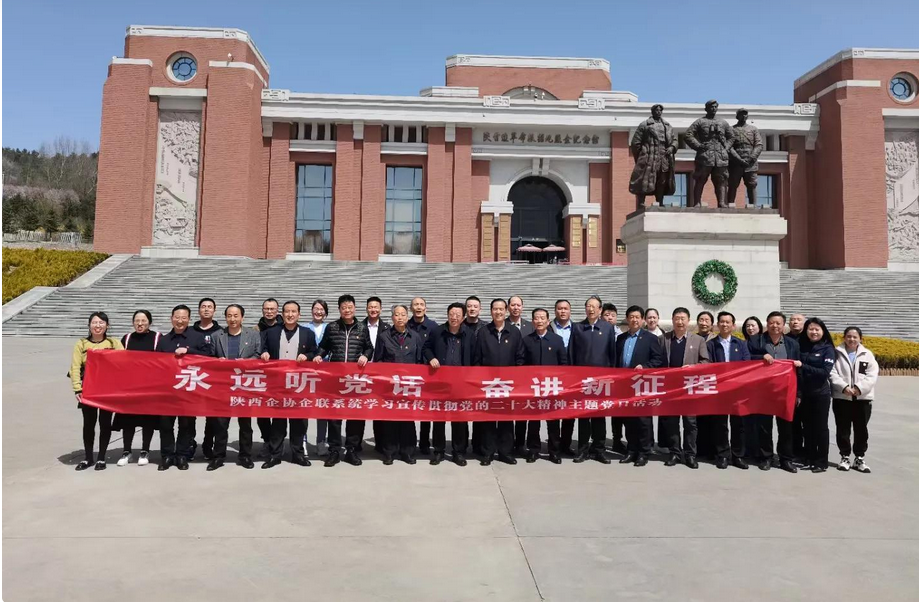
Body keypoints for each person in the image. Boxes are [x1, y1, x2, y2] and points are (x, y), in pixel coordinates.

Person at [314, 295, 373, 467]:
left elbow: (369, 347)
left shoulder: (362, 328)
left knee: (355, 415)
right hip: (336, 379)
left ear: (355, 308)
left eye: (350, 307)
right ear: (339, 310)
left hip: (355, 379)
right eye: (344, 307)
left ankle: (351, 450)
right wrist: (319, 355)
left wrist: (365, 355)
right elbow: (324, 346)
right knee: (334, 416)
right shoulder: (332, 327)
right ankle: (334, 450)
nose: (347, 310)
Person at [258, 301, 318, 469]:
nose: (290, 315)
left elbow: (314, 351)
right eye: (287, 312)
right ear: (282, 314)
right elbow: (262, 349)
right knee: (278, 421)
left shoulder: (307, 333)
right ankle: (275, 455)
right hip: (277, 384)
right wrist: (264, 353)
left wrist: (308, 356)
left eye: (293, 312)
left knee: (299, 421)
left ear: (299, 314)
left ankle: (298, 454)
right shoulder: (271, 332)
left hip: (299, 384)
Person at [364, 304, 423, 464]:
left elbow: (419, 361)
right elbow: (379, 360)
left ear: (407, 317)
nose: (400, 317)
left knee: (407, 420)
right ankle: (389, 452)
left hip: (408, 385)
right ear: (392, 318)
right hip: (389, 386)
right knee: (389, 420)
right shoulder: (384, 337)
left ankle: (407, 452)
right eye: (397, 315)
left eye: (403, 314)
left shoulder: (415, 337)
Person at [156, 305, 213, 471]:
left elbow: (209, 356)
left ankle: (182, 455)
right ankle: (167, 456)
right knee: (166, 425)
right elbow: (156, 363)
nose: (180, 321)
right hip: (167, 391)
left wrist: (189, 351)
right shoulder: (164, 340)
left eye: (183, 318)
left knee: (186, 425)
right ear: (171, 318)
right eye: (177, 317)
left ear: (189, 319)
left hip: (189, 390)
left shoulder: (197, 338)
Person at [208, 304, 263, 470]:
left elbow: (258, 355)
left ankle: (245, 455)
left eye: (236, 315)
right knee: (220, 424)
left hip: (244, 385)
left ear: (242, 317)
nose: (232, 319)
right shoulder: (217, 335)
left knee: (245, 424)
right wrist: (217, 361)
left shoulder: (253, 335)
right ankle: (218, 456)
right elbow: (210, 357)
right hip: (223, 387)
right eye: (229, 316)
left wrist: (247, 362)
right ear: (225, 317)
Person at [747, 311, 803, 473]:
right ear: (767, 323)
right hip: (763, 390)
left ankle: (786, 459)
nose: (775, 326)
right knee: (764, 426)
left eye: (778, 323)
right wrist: (761, 356)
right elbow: (747, 358)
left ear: (784, 325)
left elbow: (797, 369)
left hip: (785, 390)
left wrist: (798, 393)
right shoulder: (756, 340)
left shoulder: (792, 344)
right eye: (772, 322)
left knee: (786, 427)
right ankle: (766, 457)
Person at [473, 298, 525, 465]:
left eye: (501, 309)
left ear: (506, 311)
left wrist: (517, 378)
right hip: (488, 384)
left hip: (508, 385)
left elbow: (520, 357)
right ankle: (487, 452)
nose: (498, 312)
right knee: (488, 420)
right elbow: (477, 358)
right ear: (491, 311)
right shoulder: (483, 332)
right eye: (495, 309)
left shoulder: (514, 332)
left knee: (506, 420)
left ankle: (505, 452)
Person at [70, 312, 124, 471]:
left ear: (107, 326)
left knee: (105, 423)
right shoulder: (82, 343)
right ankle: (88, 457)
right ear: (89, 325)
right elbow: (74, 367)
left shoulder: (114, 343)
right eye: (94, 323)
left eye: (101, 323)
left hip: (108, 389)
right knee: (89, 424)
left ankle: (101, 458)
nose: (98, 326)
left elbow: (124, 363)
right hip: (88, 389)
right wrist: (77, 388)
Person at [658, 307, 710, 469]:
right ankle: (674, 452)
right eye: (677, 318)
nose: (680, 322)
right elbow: (657, 361)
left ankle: (690, 454)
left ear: (688, 321)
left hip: (690, 387)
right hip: (670, 388)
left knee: (690, 423)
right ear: (672, 320)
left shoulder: (698, 340)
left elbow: (706, 362)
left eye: (683, 319)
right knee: (671, 423)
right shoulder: (663, 339)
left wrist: (693, 367)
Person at [424, 303, 474, 466]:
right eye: (452, 314)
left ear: (463, 317)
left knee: (459, 419)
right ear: (447, 315)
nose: (454, 317)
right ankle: (438, 451)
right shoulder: (437, 331)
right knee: (439, 418)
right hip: (440, 382)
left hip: (461, 383)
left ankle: (458, 452)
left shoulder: (469, 334)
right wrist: (431, 358)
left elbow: (476, 356)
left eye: (458, 315)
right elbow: (426, 348)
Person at [568, 296, 617, 464]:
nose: (590, 309)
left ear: (600, 309)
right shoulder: (577, 327)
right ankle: (582, 450)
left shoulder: (607, 328)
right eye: (588, 306)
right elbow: (572, 352)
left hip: (601, 380)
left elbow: (612, 353)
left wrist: (611, 376)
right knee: (583, 416)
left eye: (594, 306)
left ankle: (599, 450)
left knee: (599, 416)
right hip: (582, 381)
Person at [616, 305, 665, 466]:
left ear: (642, 319)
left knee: (643, 420)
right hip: (625, 385)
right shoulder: (620, 339)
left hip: (642, 384)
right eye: (631, 317)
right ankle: (631, 450)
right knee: (628, 419)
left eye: (637, 317)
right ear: (627, 319)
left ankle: (644, 452)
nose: (634, 320)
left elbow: (658, 360)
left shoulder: (650, 338)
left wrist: (644, 367)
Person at [702, 311, 751, 469]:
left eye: (727, 322)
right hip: (719, 390)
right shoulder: (711, 344)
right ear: (717, 325)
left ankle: (738, 456)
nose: (724, 324)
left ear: (733, 325)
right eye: (721, 322)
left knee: (739, 424)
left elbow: (746, 364)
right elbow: (708, 365)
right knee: (720, 424)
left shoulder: (740, 344)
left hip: (738, 390)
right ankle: (722, 455)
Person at [830, 327, 879, 473]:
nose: (851, 339)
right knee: (843, 428)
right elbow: (832, 372)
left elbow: (872, 375)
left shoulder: (867, 354)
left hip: (862, 398)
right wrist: (844, 387)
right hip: (842, 397)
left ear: (860, 339)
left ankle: (859, 458)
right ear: (844, 337)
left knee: (861, 429)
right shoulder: (836, 353)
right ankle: (844, 457)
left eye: (855, 337)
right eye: (849, 336)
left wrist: (859, 388)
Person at [522, 307, 568, 463]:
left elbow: (563, 363)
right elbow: (521, 363)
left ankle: (554, 451)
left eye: (542, 318)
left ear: (548, 321)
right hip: (533, 387)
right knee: (533, 421)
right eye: (536, 318)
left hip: (552, 386)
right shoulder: (527, 340)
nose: (539, 321)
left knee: (553, 421)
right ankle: (533, 450)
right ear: (532, 321)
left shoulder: (556, 340)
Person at [115, 310, 160, 467]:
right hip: (130, 387)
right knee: (128, 421)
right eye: (137, 321)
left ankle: (145, 450)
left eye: (143, 320)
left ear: (150, 322)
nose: (140, 324)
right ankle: (126, 451)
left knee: (147, 420)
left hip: (149, 387)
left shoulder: (157, 338)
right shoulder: (127, 338)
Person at [797, 317, 835, 472]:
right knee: (807, 427)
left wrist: (803, 366)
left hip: (821, 394)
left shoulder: (827, 348)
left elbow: (824, 372)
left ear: (822, 331)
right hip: (805, 394)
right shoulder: (801, 345)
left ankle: (821, 461)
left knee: (820, 428)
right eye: (810, 329)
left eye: (817, 329)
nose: (813, 332)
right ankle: (809, 457)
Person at [684, 99, 734, 208]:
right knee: (700, 179)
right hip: (705, 156)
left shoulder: (723, 122)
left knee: (721, 180)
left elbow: (731, 137)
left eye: (715, 107)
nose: (713, 108)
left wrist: (726, 147)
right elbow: (688, 135)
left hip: (721, 157)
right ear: (706, 109)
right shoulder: (700, 122)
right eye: (711, 107)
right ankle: (697, 202)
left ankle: (721, 202)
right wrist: (698, 146)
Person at [629, 103, 678, 210]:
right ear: (652, 112)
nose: (658, 112)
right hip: (649, 156)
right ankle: (641, 202)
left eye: (660, 110)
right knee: (645, 179)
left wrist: (672, 147)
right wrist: (642, 156)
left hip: (664, 156)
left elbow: (674, 140)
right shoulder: (645, 125)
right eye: (656, 110)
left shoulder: (667, 126)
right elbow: (635, 143)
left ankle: (660, 201)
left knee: (662, 180)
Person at [194, 298, 224, 461]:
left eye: (209, 307)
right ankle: (189, 444)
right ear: (199, 310)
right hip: (192, 378)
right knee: (189, 415)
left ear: (214, 310)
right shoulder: (190, 331)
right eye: (203, 307)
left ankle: (208, 445)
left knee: (212, 417)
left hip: (214, 381)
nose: (206, 309)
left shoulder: (220, 332)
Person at [409, 296, 439, 455]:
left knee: (427, 409)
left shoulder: (434, 327)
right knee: (408, 408)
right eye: (415, 305)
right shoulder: (405, 325)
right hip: (410, 373)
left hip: (428, 373)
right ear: (411, 308)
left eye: (421, 304)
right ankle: (409, 441)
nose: (418, 307)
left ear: (425, 308)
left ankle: (425, 442)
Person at [508, 295, 535, 455]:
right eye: (513, 305)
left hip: (526, 375)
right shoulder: (501, 324)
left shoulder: (530, 326)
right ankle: (505, 443)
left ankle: (519, 444)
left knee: (522, 411)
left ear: (522, 307)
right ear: (508, 307)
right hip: (506, 375)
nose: (516, 308)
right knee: (505, 411)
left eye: (518, 305)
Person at [362, 296, 390, 455]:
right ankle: (355, 444)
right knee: (358, 409)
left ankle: (381, 443)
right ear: (367, 308)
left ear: (381, 309)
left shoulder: (387, 328)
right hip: (361, 373)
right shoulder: (359, 326)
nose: (373, 309)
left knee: (379, 409)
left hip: (380, 374)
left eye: (376, 307)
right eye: (370, 307)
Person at [304, 299, 330, 456]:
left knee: (322, 409)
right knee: (305, 408)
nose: (318, 312)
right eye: (316, 309)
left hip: (326, 374)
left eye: (321, 309)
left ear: (326, 313)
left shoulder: (330, 328)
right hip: (307, 374)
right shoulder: (304, 328)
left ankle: (321, 442)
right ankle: (303, 441)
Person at [551, 299, 576, 455]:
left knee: (569, 412)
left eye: (565, 308)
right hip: (553, 377)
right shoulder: (548, 327)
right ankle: (554, 446)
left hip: (572, 375)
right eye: (560, 308)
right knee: (553, 412)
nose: (562, 311)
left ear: (570, 311)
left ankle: (565, 445)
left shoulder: (577, 328)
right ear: (555, 311)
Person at [601, 302, 626, 454]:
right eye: (606, 315)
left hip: (618, 379)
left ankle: (617, 439)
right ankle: (599, 441)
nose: (610, 318)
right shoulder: (597, 333)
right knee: (599, 409)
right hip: (601, 377)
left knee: (618, 411)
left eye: (613, 315)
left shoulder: (621, 336)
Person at [727, 108, 763, 206]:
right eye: (741, 114)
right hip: (735, 163)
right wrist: (738, 159)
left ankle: (753, 206)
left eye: (745, 114)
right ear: (737, 116)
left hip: (750, 163)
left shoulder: (753, 129)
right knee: (732, 185)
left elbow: (759, 145)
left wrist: (752, 157)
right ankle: (730, 206)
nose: (743, 116)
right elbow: (729, 147)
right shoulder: (731, 129)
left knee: (752, 185)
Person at [787, 312, 808, 461]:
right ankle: (795, 451)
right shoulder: (785, 339)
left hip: (809, 385)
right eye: (792, 320)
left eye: (799, 320)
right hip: (791, 385)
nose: (795, 322)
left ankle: (809, 452)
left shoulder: (809, 338)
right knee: (793, 423)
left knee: (809, 423)